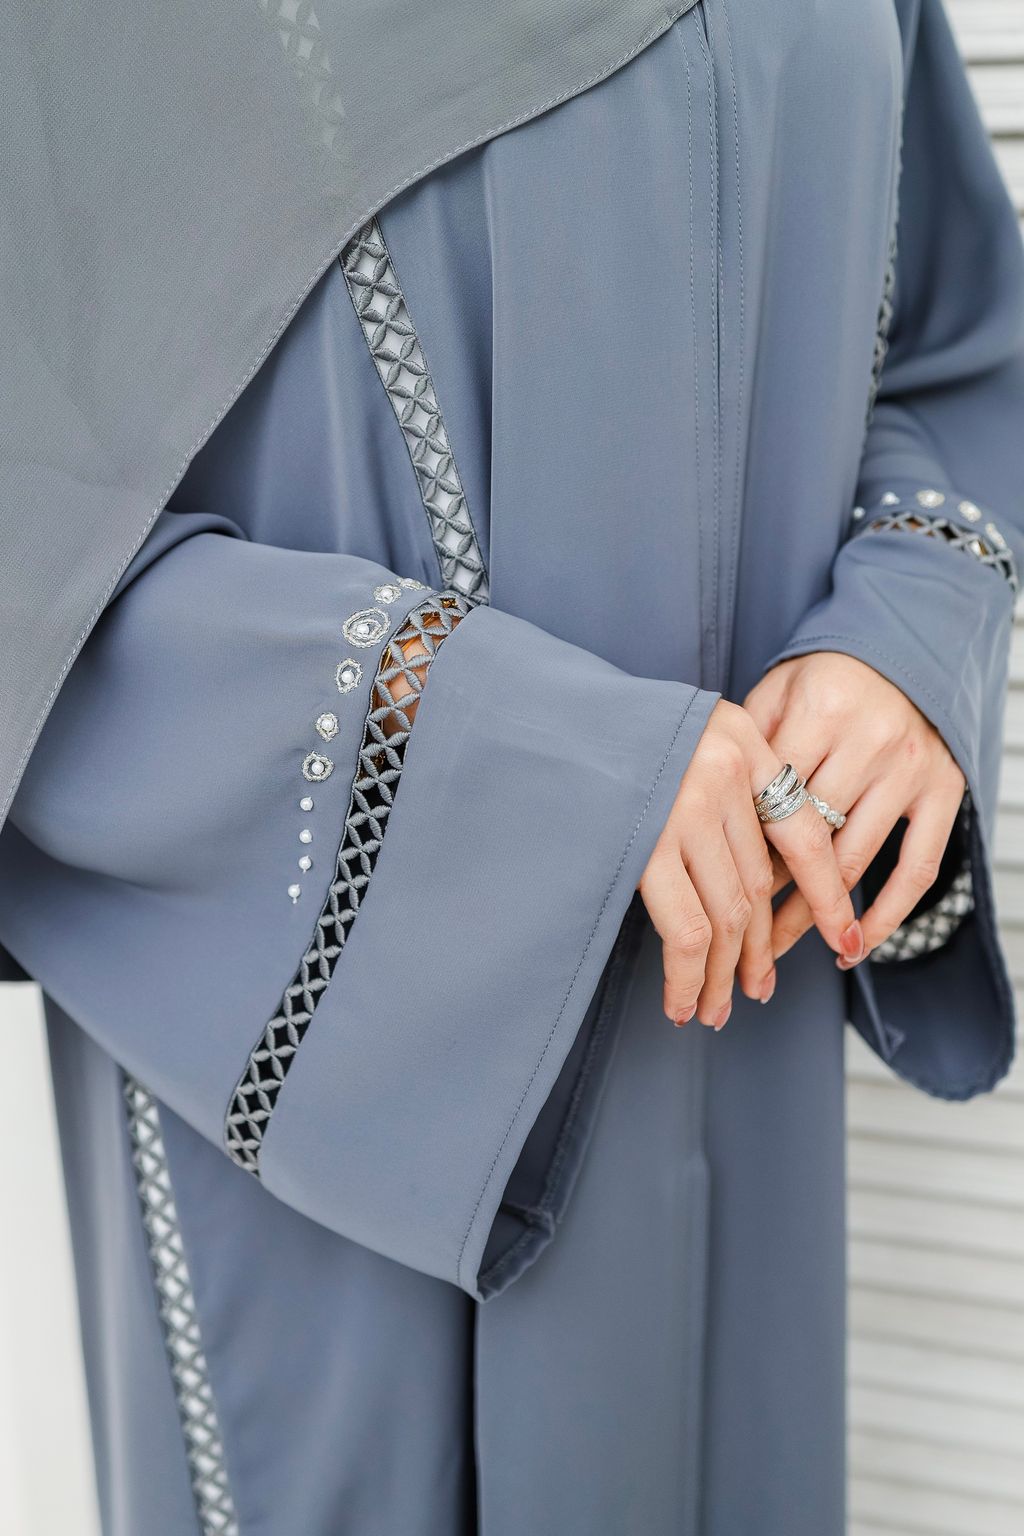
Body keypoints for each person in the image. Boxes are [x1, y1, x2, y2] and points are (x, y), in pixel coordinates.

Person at [1, 1, 1021, 1531]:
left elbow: (939, 339)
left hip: (737, 1041)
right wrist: (504, 752)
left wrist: (905, 628)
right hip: (323, 1058)